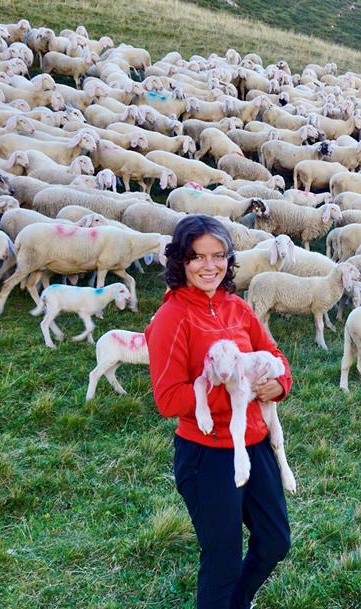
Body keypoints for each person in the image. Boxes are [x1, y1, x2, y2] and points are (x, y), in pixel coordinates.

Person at [146, 215, 293, 609]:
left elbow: (274, 355)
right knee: (223, 559)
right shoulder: (171, 318)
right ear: (180, 261)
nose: (209, 266)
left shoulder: (238, 308)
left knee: (276, 540)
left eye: (219, 256)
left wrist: (279, 385)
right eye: (197, 257)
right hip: (206, 453)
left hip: (254, 443)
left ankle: (237, 603)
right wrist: (234, 391)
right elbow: (168, 398)